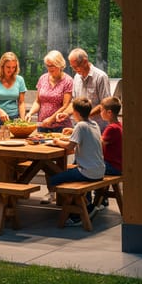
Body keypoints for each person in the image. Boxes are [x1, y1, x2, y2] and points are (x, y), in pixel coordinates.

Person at [48, 97, 105, 226]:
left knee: (54, 179)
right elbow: (85, 133)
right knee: (67, 173)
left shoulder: (80, 125)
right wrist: (72, 131)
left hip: (86, 172)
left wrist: (56, 142)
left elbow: (69, 146)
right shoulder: (94, 124)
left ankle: (77, 213)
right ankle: (86, 206)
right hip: (100, 170)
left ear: (76, 113)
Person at [26, 50, 74, 134]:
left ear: (60, 65)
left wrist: (51, 119)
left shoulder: (68, 81)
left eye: (52, 65)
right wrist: (30, 113)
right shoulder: (43, 78)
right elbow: (38, 102)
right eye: (47, 65)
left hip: (60, 126)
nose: (49, 68)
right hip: (43, 125)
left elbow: (66, 105)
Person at [68, 48, 111, 131]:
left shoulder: (100, 77)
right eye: (72, 67)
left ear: (85, 61)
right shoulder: (77, 77)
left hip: (98, 127)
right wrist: (66, 114)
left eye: (76, 67)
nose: (75, 70)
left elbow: (105, 104)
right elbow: (74, 102)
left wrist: (85, 116)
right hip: (81, 127)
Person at [94, 96, 122, 208]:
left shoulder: (111, 128)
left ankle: (85, 204)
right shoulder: (118, 125)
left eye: (101, 110)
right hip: (118, 165)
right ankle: (96, 201)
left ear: (109, 112)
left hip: (112, 166)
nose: (100, 112)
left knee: (85, 168)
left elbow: (98, 143)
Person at [0, 52, 27, 129]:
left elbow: (21, 102)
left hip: (14, 118)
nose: (11, 70)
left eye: (13, 67)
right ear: (2, 66)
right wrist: (0, 111)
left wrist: (22, 120)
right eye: (8, 67)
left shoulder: (20, 80)